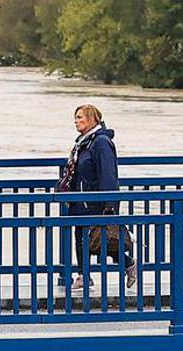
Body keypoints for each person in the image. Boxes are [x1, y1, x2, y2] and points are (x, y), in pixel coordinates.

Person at [57, 104, 136, 294]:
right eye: (75, 118)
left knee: (100, 240)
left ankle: (128, 264)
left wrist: (109, 204)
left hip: (95, 201)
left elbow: (108, 173)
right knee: (80, 236)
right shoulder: (83, 142)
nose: (76, 121)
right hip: (80, 199)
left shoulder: (101, 142)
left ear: (92, 119)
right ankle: (84, 276)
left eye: (80, 117)